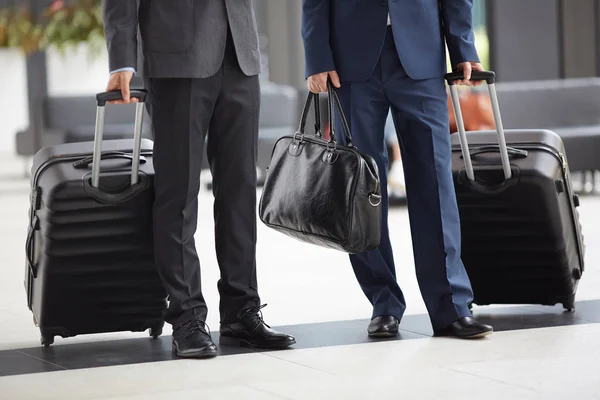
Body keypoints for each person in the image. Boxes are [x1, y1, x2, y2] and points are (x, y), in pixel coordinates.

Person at [102, 0, 295, 359]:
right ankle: (187, 317)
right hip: (176, 58)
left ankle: (241, 311)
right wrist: (122, 59)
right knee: (179, 195)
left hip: (240, 56)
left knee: (239, 192)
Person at [302, 0, 493, 339]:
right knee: (360, 189)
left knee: (435, 182)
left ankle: (451, 307)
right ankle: (383, 303)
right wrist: (317, 56)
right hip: (350, 61)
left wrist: (462, 44)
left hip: (422, 53)